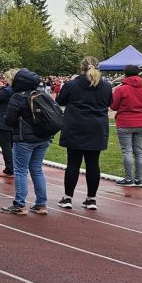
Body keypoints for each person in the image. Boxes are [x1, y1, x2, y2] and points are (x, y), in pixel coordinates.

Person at [56, 56, 113, 210]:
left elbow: (60, 101)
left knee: (73, 163)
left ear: (81, 67)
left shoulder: (72, 84)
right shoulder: (106, 86)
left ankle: (68, 197)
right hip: (97, 127)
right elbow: (109, 102)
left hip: (76, 126)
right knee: (93, 164)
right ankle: (91, 199)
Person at [1, 68, 54, 216]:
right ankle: (41, 204)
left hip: (24, 139)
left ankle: (19, 204)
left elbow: (9, 120)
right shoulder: (43, 94)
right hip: (43, 137)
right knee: (37, 169)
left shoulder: (18, 97)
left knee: (20, 170)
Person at [110, 63, 142, 187]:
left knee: (127, 151)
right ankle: (139, 179)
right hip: (140, 122)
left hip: (125, 122)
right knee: (139, 151)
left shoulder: (121, 89)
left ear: (125, 74)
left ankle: (128, 179)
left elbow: (113, 106)